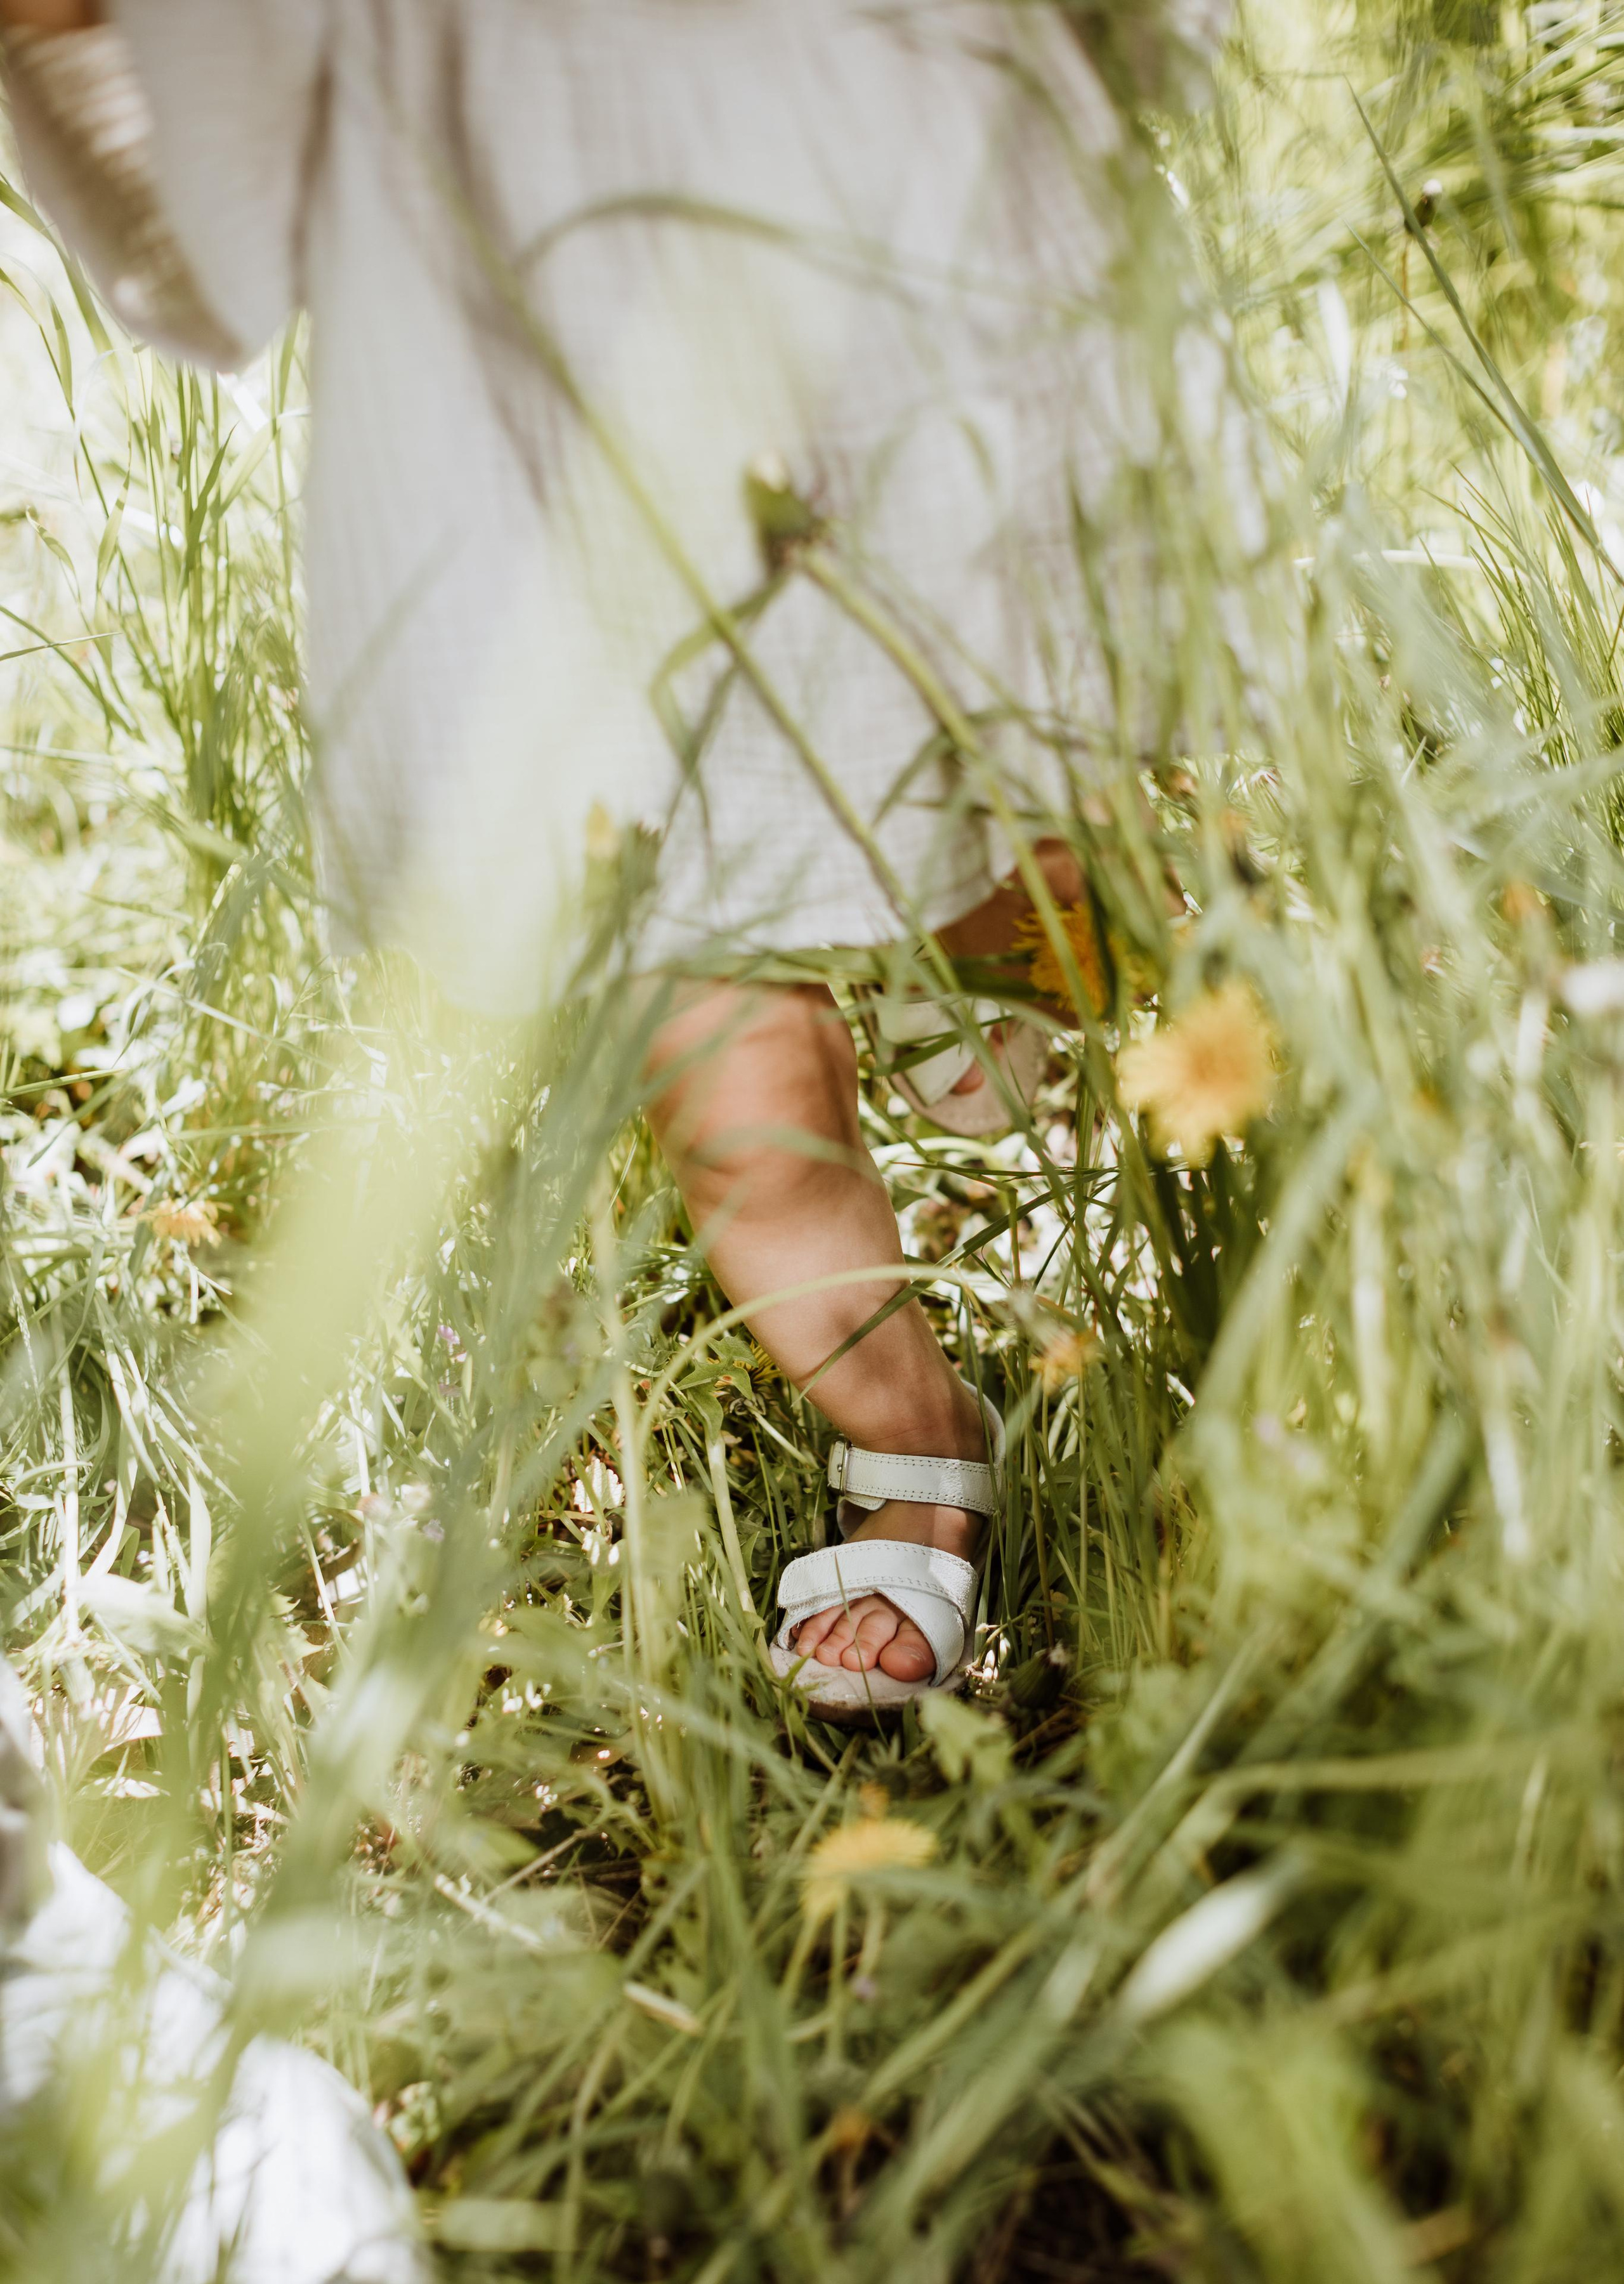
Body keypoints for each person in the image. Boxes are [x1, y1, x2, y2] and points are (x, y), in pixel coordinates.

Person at [0, 0, 1155, 1712]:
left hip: (890, 274)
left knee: (1017, 836)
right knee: (738, 1100)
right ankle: (919, 1428)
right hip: (531, 453)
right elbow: (189, 194)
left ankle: (984, 957)